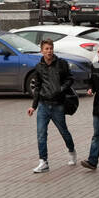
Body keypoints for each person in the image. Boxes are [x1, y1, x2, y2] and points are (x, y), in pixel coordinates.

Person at [27, 39, 77, 173]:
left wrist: (61, 88)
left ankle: (72, 151)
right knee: (41, 134)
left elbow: (70, 79)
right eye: (46, 49)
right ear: (41, 51)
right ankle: (43, 162)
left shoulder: (61, 64)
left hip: (57, 105)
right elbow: (37, 87)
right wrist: (33, 106)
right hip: (43, 105)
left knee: (64, 132)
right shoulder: (38, 67)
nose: (49, 51)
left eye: (51, 48)